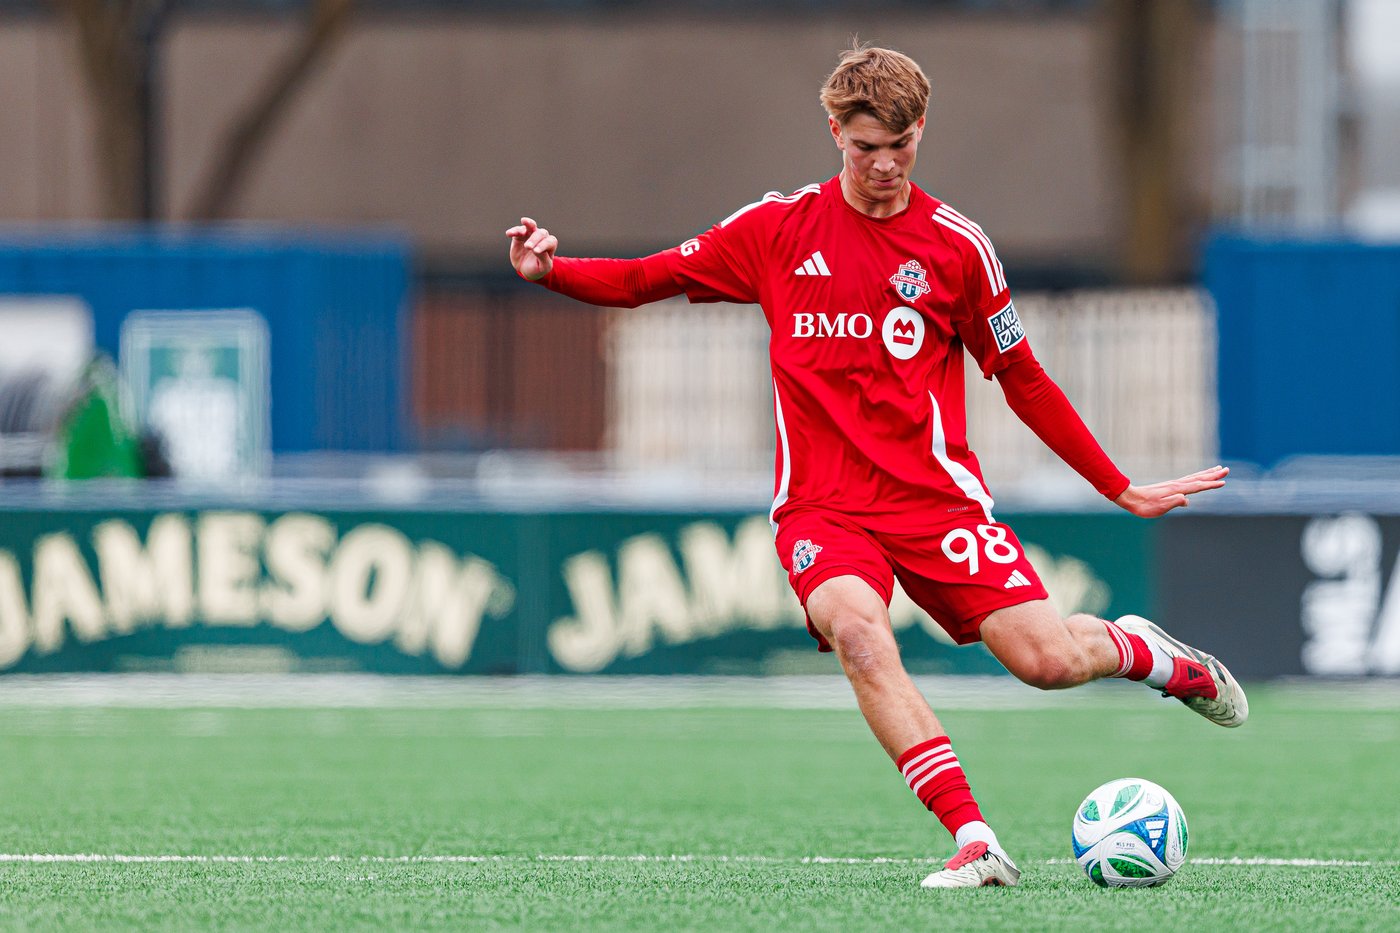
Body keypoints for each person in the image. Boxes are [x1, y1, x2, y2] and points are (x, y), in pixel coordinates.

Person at [506, 43, 1246, 889]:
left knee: (1048, 663)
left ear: (921, 130)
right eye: (866, 148)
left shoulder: (957, 247)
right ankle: (974, 837)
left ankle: (1147, 654)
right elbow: (650, 277)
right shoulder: (778, 230)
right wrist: (551, 271)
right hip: (823, 507)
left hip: (938, 505)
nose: (886, 165)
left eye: (901, 145)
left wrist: (1119, 485)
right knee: (860, 631)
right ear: (834, 134)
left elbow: (1023, 377)